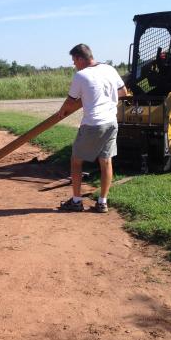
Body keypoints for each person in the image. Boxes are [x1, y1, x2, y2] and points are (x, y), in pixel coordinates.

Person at [57, 43, 127, 213]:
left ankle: (76, 201)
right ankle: (102, 203)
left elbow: (70, 101)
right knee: (106, 161)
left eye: (74, 61)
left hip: (93, 124)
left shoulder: (81, 76)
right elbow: (123, 92)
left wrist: (61, 112)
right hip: (111, 123)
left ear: (81, 58)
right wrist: (103, 98)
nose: (74, 64)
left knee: (76, 161)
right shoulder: (110, 69)